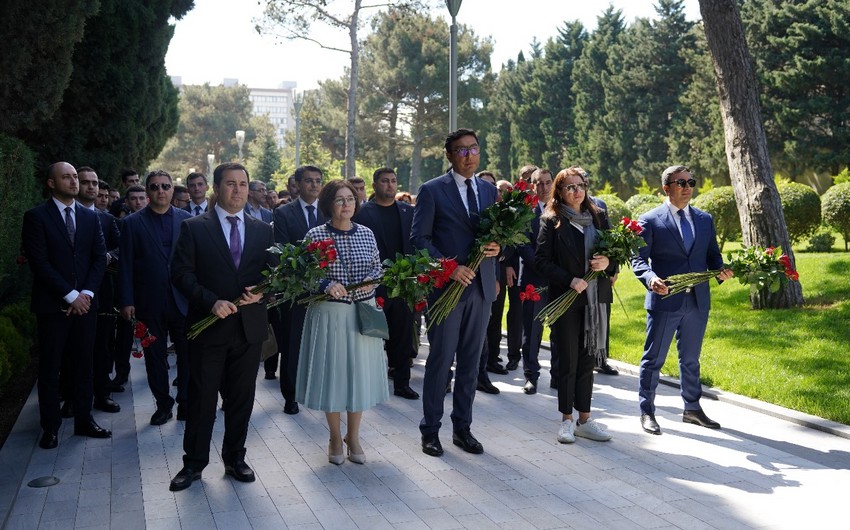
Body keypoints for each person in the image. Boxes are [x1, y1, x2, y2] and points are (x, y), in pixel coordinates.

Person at [169, 162, 274, 491]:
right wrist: (210, 301)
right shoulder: (194, 228)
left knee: (242, 398)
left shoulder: (263, 230)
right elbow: (181, 274)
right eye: (230, 184)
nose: (238, 190)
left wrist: (262, 290)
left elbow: (273, 275)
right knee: (201, 399)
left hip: (248, 330)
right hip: (208, 326)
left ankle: (235, 458)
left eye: (243, 184)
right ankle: (194, 464)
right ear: (217, 188)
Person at [411, 128, 500, 457]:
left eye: (473, 149)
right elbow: (419, 240)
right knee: (440, 361)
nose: (468, 155)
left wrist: (497, 247)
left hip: (480, 289)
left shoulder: (490, 191)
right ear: (449, 155)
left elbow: (497, 234)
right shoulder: (432, 190)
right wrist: (448, 268)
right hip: (446, 291)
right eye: (461, 150)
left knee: (471, 363)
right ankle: (430, 431)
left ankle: (462, 428)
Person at [631, 165, 733, 435]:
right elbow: (638, 259)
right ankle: (647, 411)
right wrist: (651, 279)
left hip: (697, 301)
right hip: (665, 300)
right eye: (681, 183)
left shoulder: (704, 219)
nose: (687, 187)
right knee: (654, 359)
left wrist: (722, 271)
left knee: (691, 359)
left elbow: (712, 256)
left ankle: (692, 409)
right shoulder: (650, 220)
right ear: (666, 188)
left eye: (691, 182)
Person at [297, 179, 389, 464]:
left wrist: (369, 281)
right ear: (328, 204)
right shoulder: (314, 235)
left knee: (358, 375)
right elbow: (305, 273)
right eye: (340, 199)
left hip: (363, 312)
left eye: (350, 199)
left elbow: (378, 267)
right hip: (329, 314)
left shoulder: (367, 233)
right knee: (334, 375)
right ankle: (335, 436)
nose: (347, 204)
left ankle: (355, 436)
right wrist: (325, 283)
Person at [22, 162, 109, 449]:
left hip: (86, 305)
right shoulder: (36, 217)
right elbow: (40, 262)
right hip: (53, 307)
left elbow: (99, 258)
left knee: (84, 365)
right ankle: (51, 427)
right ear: (50, 183)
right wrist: (70, 295)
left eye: (75, 177)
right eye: (66, 177)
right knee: (51, 368)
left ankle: (84, 420)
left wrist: (85, 294)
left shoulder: (89, 217)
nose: (74, 182)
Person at [535, 167, 615, 444]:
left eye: (580, 185)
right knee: (567, 360)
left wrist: (607, 263)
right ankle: (566, 420)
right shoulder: (552, 220)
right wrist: (569, 280)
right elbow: (541, 261)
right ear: (559, 191)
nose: (576, 190)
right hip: (567, 298)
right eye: (569, 187)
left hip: (596, 299)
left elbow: (614, 254)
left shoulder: (598, 216)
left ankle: (585, 419)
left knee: (587, 360)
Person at [119, 170, 191, 425]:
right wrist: (127, 301)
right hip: (148, 302)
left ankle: (185, 402)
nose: (161, 190)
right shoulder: (131, 223)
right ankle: (163, 404)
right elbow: (125, 264)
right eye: (155, 186)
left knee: (187, 355)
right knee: (154, 356)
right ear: (147, 191)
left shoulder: (187, 220)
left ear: (173, 190)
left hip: (183, 300)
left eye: (165, 186)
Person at [354, 168, 419, 400]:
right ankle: (370, 385)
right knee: (371, 337)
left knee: (402, 337)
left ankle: (402, 383)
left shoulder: (408, 211)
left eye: (393, 181)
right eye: (384, 181)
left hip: (403, 285)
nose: (390, 185)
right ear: (375, 185)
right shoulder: (362, 213)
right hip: (373, 284)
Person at [270, 165, 325, 414]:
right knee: (292, 345)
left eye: (317, 181)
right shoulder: (283, 213)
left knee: (321, 343)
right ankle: (290, 396)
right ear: (298, 184)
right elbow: (281, 251)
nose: (314, 185)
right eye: (309, 181)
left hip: (326, 290)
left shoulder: (329, 209)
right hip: (296, 290)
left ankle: (318, 390)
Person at [75, 167, 121, 415]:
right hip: (70, 296)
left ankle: (102, 394)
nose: (91, 187)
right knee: (73, 350)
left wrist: (107, 257)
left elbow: (121, 248)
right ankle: (73, 397)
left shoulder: (107, 219)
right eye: (86, 182)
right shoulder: (62, 217)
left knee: (102, 346)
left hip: (102, 293)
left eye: (95, 183)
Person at [516, 168, 555, 394]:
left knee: (561, 331)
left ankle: (558, 376)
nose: (544, 187)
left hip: (561, 281)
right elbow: (523, 245)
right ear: (532, 186)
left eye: (548, 182)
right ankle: (531, 376)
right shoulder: (525, 213)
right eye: (539, 183)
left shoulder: (564, 210)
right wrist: (542, 267)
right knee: (532, 332)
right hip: (534, 278)